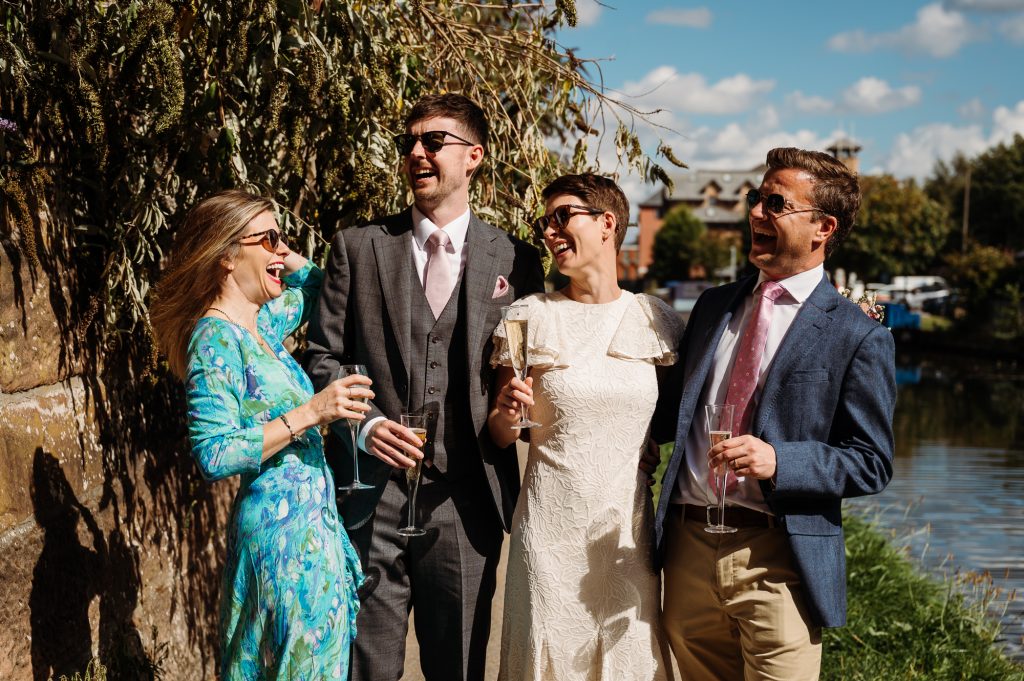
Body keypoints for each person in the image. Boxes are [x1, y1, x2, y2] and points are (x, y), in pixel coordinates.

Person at [303, 93, 545, 681]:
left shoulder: (517, 259)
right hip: (371, 498)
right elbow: (321, 357)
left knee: (458, 667)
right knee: (367, 668)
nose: (416, 152)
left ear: (474, 157)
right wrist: (365, 425)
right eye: (408, 142)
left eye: (434, 141)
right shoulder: (358, 247)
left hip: (466, 499)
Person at [651, 148, 896, 680]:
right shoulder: (713, 307)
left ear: (822, 227)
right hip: (687, 551)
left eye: (775, 202)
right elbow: (664, 415)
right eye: (756, 199)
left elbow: (871, 462)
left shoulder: (857, 335)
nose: (757, 213)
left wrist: (780, 460)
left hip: (777, 559)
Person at [149, 190, 369, 680]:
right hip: (280, 542)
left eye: (279, 239)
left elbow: (320, 288)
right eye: (267, 239)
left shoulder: (259, 327)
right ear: (227, 255)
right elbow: (214, 452)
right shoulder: (216, 338)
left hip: (312, 534)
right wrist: (312, 413)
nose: (278, 249)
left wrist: (287, 257)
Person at [488, 174, 682, 680]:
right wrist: (508, 416)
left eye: (562, 217)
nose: (550, 232)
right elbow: (500, 431)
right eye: (544, 223)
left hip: (626, 536)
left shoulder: (655, 319)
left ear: (607, 223)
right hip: (549, 534)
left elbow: (688, 415)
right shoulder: (528, 317)